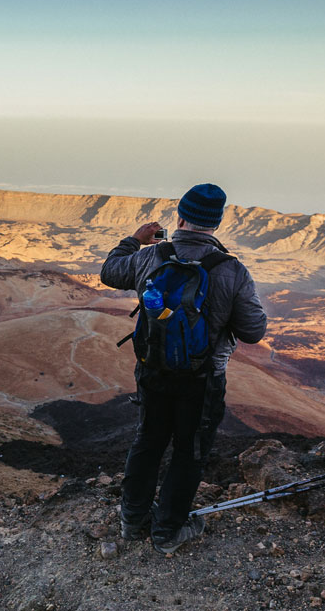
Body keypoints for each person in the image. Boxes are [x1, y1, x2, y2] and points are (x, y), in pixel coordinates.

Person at [100, 183, 266, 553]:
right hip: (202, 379)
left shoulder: (152, 255)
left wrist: (133, 240)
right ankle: (168, 532)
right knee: (189, 452)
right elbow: (254, 332)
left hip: (152, 371)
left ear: (180, 217)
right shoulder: (231, 270)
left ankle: (133, 521)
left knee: (148, 442)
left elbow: (110, 272)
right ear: (216, 223)